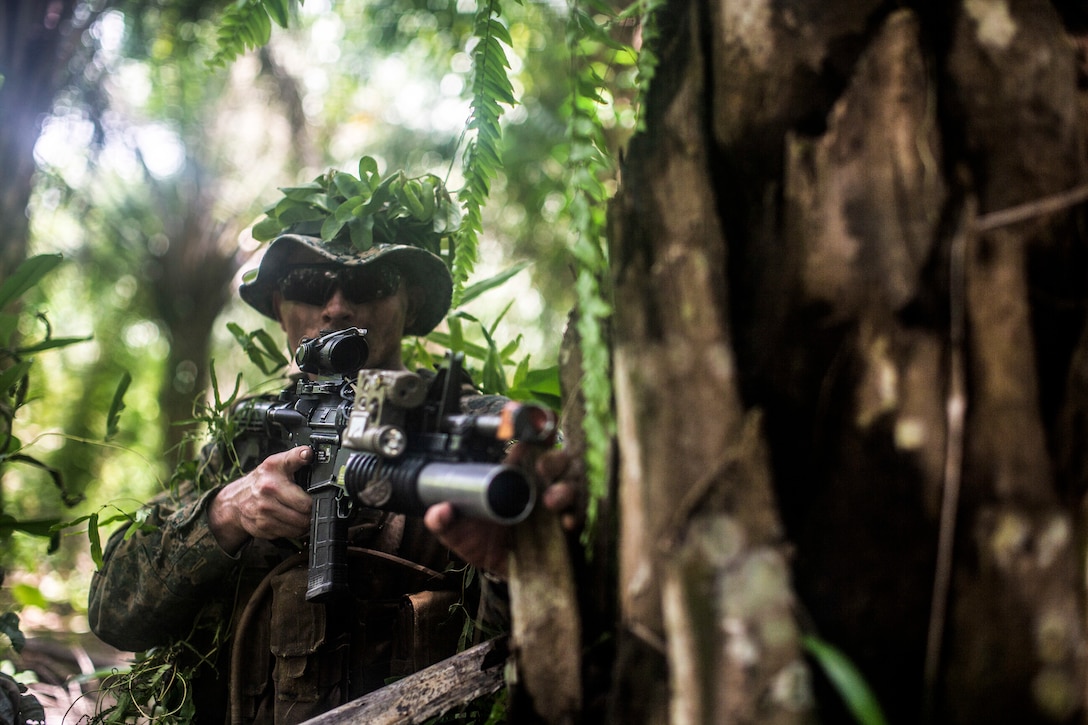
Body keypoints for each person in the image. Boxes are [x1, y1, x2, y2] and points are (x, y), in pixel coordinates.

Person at [88, 222, 579, 723]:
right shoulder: (247, 440)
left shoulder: (479, 428)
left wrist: (515, 564)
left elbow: (555, 641)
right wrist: (224, 514)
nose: (338, 307)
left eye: (369, 284)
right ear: (280, 307)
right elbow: (113, 611)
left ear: (408, 304)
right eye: (309, 283)